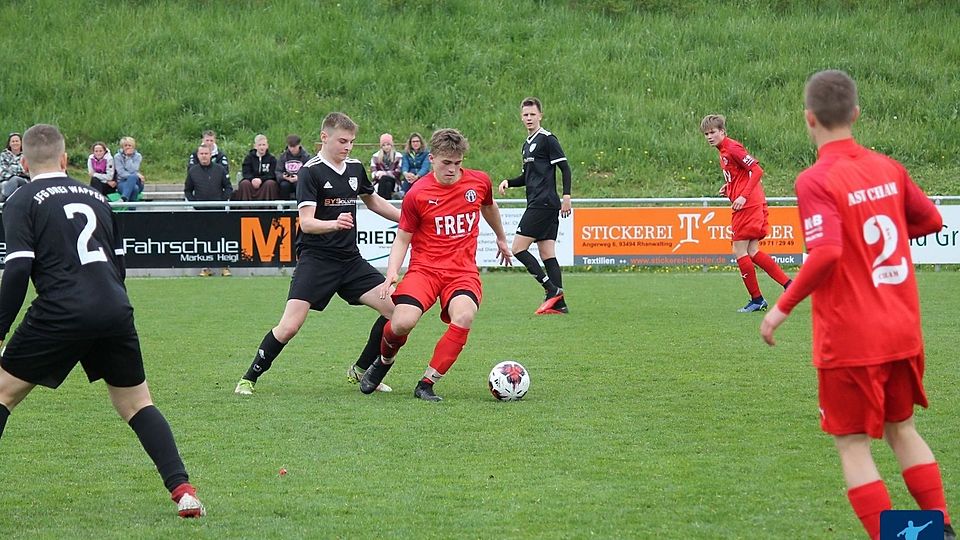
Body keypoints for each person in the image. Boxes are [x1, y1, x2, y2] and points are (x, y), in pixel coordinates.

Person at [760, 70, 951, 540]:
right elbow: (930, 220)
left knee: (851, 443)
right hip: (902, 328)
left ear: (809, 119)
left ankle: (903, 538)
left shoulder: (816, 179)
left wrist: (781, 306)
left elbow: (826, 252)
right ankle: (940, 531)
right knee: (901, 430)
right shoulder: (888, 168)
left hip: (850, 336)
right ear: (856, 114)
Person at [0, 124, 204, 518]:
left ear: (24, 163)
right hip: (113, 307)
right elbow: (118, 266)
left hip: (60, 309)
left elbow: (17, 272)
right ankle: (184, 491)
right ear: (65, 160)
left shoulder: (21, 199)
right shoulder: (97, 196)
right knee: (136, 403)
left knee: (4, 394)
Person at [234, 112, 401, 396]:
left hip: (350, 260)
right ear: (325, 137)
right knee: (289, 327)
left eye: (352, 142)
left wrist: (407, 220)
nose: (347, 147)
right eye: (342, 141)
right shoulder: (310, 171)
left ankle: (361, 370)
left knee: (396, 315)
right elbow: (307, 223)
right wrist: (334, 223)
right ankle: (249, 378)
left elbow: (372, 201)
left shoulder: (355, 168)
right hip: (316, 260)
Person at [360, 128, 512, 402]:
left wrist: (501, 238)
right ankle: (384, 360)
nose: (452, 169)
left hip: (461, 273)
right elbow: (403, 237)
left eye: (458, 163)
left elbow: (489, 206)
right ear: (432, 158)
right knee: (402, 322)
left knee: (464, 316)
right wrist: (392, 271)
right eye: (446, 163)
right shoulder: (417, 194)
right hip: (425, 271)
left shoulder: (479, 182)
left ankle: (427, 383)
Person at [701, 114, 792, 312]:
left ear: (722, 132)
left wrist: (742, 195)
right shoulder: (723, 149)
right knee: (752, 251)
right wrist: (730, 186)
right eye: (706, 133)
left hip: (747, 205)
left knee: (739, 251)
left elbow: (757, 170)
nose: (709, 136)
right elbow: (741, 174)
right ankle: (789, 285)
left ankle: (757, 299)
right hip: (751, 203)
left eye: (713, 132)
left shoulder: (732, 147)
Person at [498, 97, 573, 315]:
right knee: (547, 253)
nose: (529, 118)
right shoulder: (527, 144)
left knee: (517, 249)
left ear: (540, 115)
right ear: (521, 117)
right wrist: (509, 182)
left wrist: (566, 196)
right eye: (525, 115)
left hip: (544, 202)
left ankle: (551, 289)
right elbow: (527, 176)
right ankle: (560, 305)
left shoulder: (547, 139)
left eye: (532, 114)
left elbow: (565, 169)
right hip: (540, 203)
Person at [185, 144, 233, 277]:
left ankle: (225, 266)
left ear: (211, 155)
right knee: (203, 238)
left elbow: (228, 188)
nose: (204, 156)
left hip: (218, 211)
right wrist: (195, 204)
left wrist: (221, 201)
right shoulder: (193, 171)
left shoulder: (220, 169)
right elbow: (188, 190)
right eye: (201, 154)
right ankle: (205, 267)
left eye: (206, 154)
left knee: (222, 238)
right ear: (198, 155)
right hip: (201, 212)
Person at [237, 134, 279, 201]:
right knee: (244, 184)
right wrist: (253, 179)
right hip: (251, 182)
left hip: (265, 182)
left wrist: (261, 180)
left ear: (267, 146)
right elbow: (245, 172)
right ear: (255, 146)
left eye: (263, 145)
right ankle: (245, 208)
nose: (262, 147)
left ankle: (267, 208)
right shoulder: (248, 158)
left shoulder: (272, 159)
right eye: (259, 145)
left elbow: (272, 174)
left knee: (270, 183)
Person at [276, 134, 311, 200]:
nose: (292, 149)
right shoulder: (283, 156)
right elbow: (278, 171)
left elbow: (309, 171)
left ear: (299, 145)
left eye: (294, 147)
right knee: (284, 185)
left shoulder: (305, 157)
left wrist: (299, 178)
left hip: (300, 180)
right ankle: (284, 208)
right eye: (290, 146)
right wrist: (284, 177)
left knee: (300, 185)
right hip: (286, 180)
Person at [370, 133, 402, 200]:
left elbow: (398, 172)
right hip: (379, 181)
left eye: (388, 144)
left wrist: (385, 173)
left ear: (391, 145)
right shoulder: (375, 156)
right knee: (387, 184)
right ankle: (387, 203)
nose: (386, 147)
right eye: (384, 145)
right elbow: (373, 173)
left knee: (385, 179)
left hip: (394, 180)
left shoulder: (398, 156)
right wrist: (380, 174)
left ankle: (381, 203)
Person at [113, 136, 144, 203]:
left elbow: (134, 169)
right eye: (125, 145)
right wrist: (134, 175)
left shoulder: (138, 156)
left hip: (137, 181)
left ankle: (124, 198)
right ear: (122, 147)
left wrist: (128, 158)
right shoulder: (117, 157)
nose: (127, 147)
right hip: (122, 182)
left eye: (129, 145)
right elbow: (121, 172)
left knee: (133, 177)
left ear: (133, 146)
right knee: (135, 188)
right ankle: (132, 211)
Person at [0, 132, 29, 202]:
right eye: (13, 141)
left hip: (24, 180)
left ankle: (2, 200)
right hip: (6, 180)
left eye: (17, 141)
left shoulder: (27, 155)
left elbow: (28, 171)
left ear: (21, 143)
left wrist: (11, 169)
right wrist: (19, 170)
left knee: (15, 179)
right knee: (6, 184)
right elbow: (2, 172)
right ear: (9, 144)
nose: (15, 143)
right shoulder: (3, 155)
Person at [400, 132, 429, 196]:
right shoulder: (406, 153)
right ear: (410, 143)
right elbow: (405, 165)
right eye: (413, 142)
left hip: (421, 175)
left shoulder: (426, 153)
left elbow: (425, 167)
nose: (415, 143)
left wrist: (417, 176)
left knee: (414, 175)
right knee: (410, 175)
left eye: (417, 141)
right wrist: (406, 174)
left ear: (421, 142)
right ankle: (402, 194)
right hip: (410, 176)